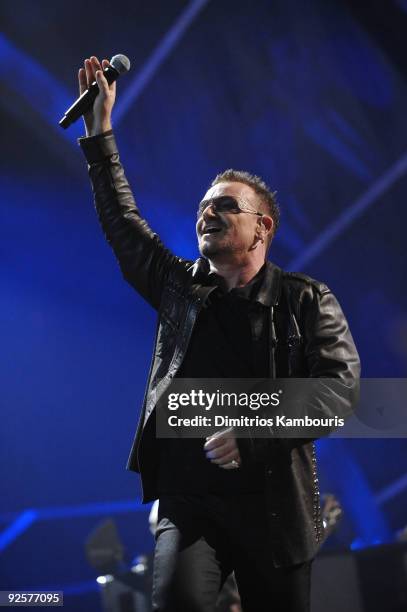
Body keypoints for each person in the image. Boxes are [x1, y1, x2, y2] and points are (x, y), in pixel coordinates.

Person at [78, 56, 360, 612]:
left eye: (226, 206)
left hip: (276, 506)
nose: (208, 213)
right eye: (203, 206)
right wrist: (100, 133)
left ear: (264, 226)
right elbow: (123, 223)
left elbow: (340, 390)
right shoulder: (179, 287)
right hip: (190, 504)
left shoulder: (306, 300)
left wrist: (250, 434)